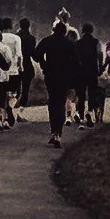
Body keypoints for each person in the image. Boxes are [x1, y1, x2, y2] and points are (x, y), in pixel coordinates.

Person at [32, 15, 79, 146]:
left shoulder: (47, 41)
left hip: (51, 74)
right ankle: (59, 132)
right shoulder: (70, 44)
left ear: (54, 30)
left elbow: (36, 55)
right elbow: (76, 62)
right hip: (65, 76)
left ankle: (54, 131)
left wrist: (43, 63)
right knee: (62, 101)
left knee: (53, 102)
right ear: (65, 32)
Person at [76, 21, 104, 125]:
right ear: (92, 31)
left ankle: (81, 115)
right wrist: (100, 67)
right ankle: (90, 111)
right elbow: (100, 55)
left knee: (81, 94)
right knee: (92, 93)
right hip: (92, 70)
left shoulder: (78, 43)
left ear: (82, 31)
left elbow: (75, 57)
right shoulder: (96, 42)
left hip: (80, 71)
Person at [16, 17, 37, 110]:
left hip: (16, 65)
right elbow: (33, 54)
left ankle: (12, 108)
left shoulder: (16, 37)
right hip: (27, 64)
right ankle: (21, 109)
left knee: (16, 89)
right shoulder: (31, 39)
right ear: (28, 26)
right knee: (25, 89)